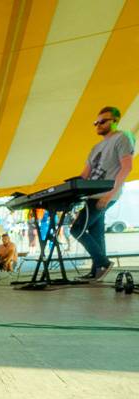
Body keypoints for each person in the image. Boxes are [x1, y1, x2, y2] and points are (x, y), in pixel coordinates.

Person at [72, 106, 134, 280]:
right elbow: (85, 174)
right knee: (95, 232)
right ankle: (97, 271)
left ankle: (103, 262)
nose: (98, 124)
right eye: (96, 122)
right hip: (92, 195)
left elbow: (127, 167)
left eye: (103, 121)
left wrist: (109, 195)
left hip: (105, 194)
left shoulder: (122, 138)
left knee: (77, 229)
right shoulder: (96, 147)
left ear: (115, 121)